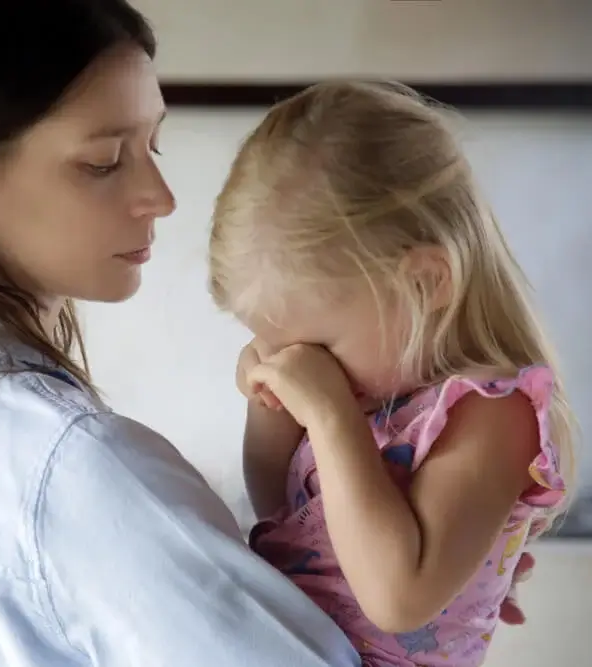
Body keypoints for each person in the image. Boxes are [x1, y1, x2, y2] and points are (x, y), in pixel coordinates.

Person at [0, 2, 534, 665]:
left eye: (153, 143)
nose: (160, 196)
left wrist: (430, 582)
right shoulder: (70, 464)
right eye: (102, 161)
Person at [208, 81, 571, 666]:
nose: (301, 362)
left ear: (426, 283)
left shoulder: (490, 412)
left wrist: (330, 418)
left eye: (315, 343)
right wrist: (270, 402)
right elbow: (277, 505)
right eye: (277, 343)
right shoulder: (373, 390)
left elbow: (398, 601)